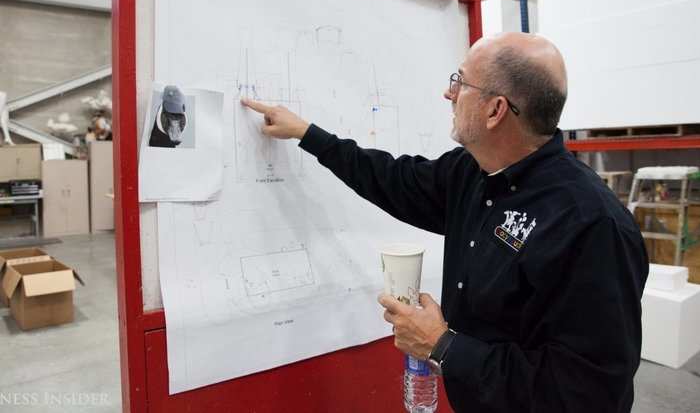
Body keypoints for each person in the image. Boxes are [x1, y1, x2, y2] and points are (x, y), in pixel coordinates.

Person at [241, 32, 648, 412]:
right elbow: (393, 179)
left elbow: (589, 395)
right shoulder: (473, 172)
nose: (447, 93)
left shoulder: (591, 226)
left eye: (460, 82)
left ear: (495, 110)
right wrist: (308, 134)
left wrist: (442, 346)